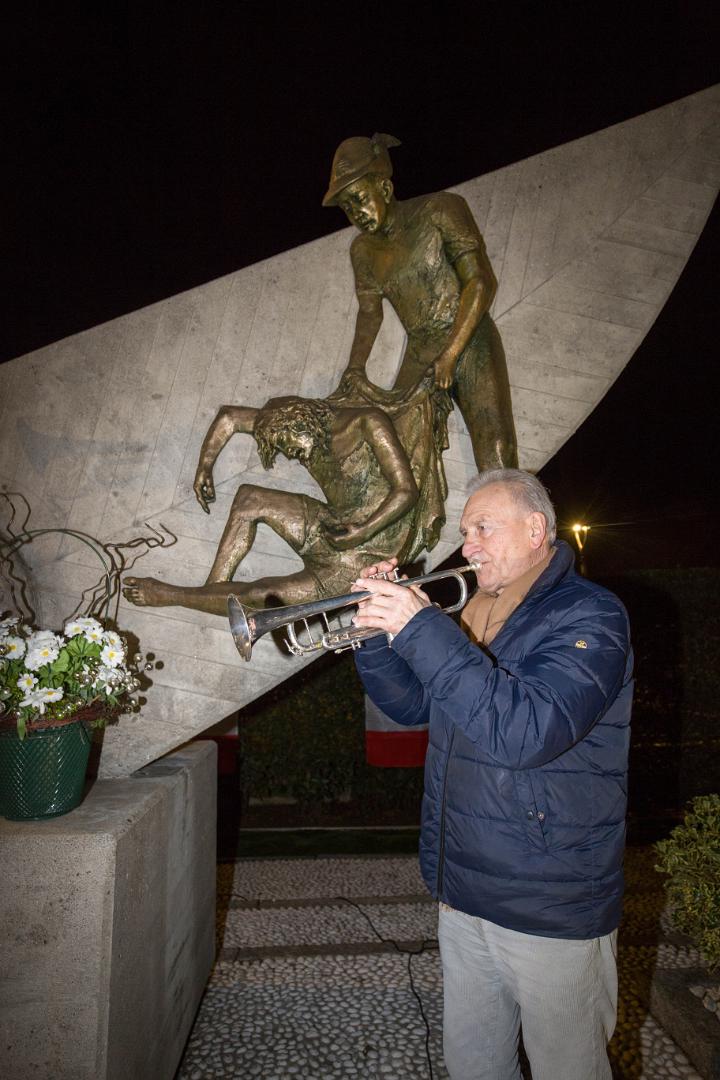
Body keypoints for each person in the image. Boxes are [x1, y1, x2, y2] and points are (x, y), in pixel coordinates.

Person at [350, 469, 633, 1080]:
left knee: (569, 1069)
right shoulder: (474, 612)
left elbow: (526, 731)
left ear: (535, 530)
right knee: (475, 1065)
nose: (467, 546)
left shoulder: (590, 614)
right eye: (465, 531)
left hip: (550, 898)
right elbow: (414, 707)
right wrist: (375, 636)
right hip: (463, 888)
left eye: (483, 528)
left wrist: (421, 628)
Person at [123, 392, 439, 615]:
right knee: (249, 499)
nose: (292, 455)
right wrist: (204, 466)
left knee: (260, 595)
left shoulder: (366, 422)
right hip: (332, 525)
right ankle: (212, 591)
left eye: (292, 447)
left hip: (363, 556)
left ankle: (172, 595)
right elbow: (229, 417)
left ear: (302, 422)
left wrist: (363, 531)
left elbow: (406, 491)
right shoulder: (290, 426)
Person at [323, 133, 518, 472]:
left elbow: (480, 281)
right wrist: (355, 367)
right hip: (421, 350)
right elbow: (370, 313)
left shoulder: (441, 209)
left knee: (496, 445)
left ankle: (506, 504)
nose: (356, 213)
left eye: (359, 199)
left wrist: (451, 354)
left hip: (469, 336)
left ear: (384, 188)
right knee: (394, 452)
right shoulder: (363, 251)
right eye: (348, 208)